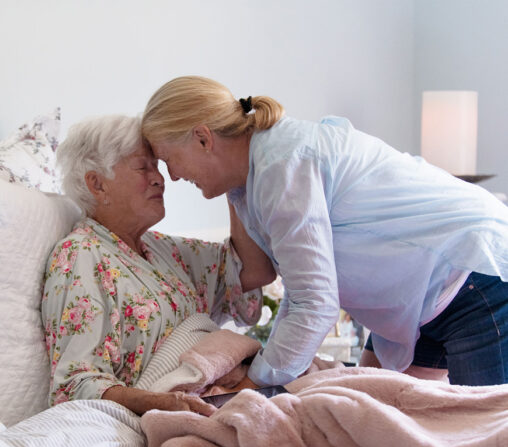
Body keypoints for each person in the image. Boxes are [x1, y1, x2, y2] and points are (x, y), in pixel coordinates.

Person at [141, 75, 508, 387]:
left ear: (204, 139)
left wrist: (256, 382)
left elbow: (314, 303)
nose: (171, 176)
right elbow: (287, 285)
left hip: (471, 275)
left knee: (482, 433)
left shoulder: (283, 167)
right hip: (424, 300)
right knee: (380, 421)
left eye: (169, 159)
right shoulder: (251, 182)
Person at [41, 114, 275, 416]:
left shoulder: (164, 249)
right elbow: (75, 385)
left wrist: (233, 179)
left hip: (233, 389)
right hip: (185, 408)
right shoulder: (80, 255)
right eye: (143, 167)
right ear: (97, 184)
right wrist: (167, 404)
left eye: (158, 166)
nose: (159, 178)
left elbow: (251, 271)